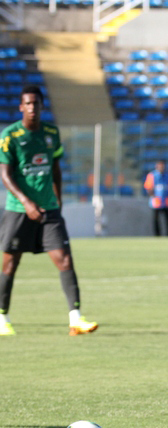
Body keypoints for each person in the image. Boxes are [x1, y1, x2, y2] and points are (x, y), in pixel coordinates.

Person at [0, 85, 98, 336]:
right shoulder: (10, 136)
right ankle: (2, 317)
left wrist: (58, 198)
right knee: (10, 263)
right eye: (28, 104)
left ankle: (75, 319)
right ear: (21, 107)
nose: (32, 108)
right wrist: (26, 202)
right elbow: (5, 175)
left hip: (49, 208)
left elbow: (55, 168)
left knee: (64, 259)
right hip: (19, 210)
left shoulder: (51, 133)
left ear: (42, 106)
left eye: (36, 103)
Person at [143, 160, 168, 236]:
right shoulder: (152, 176)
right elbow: (148, 188)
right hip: (156, 203)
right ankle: (157, 235)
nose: (161, 167)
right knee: (156, 220)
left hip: (166, 202)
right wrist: (153, 196)